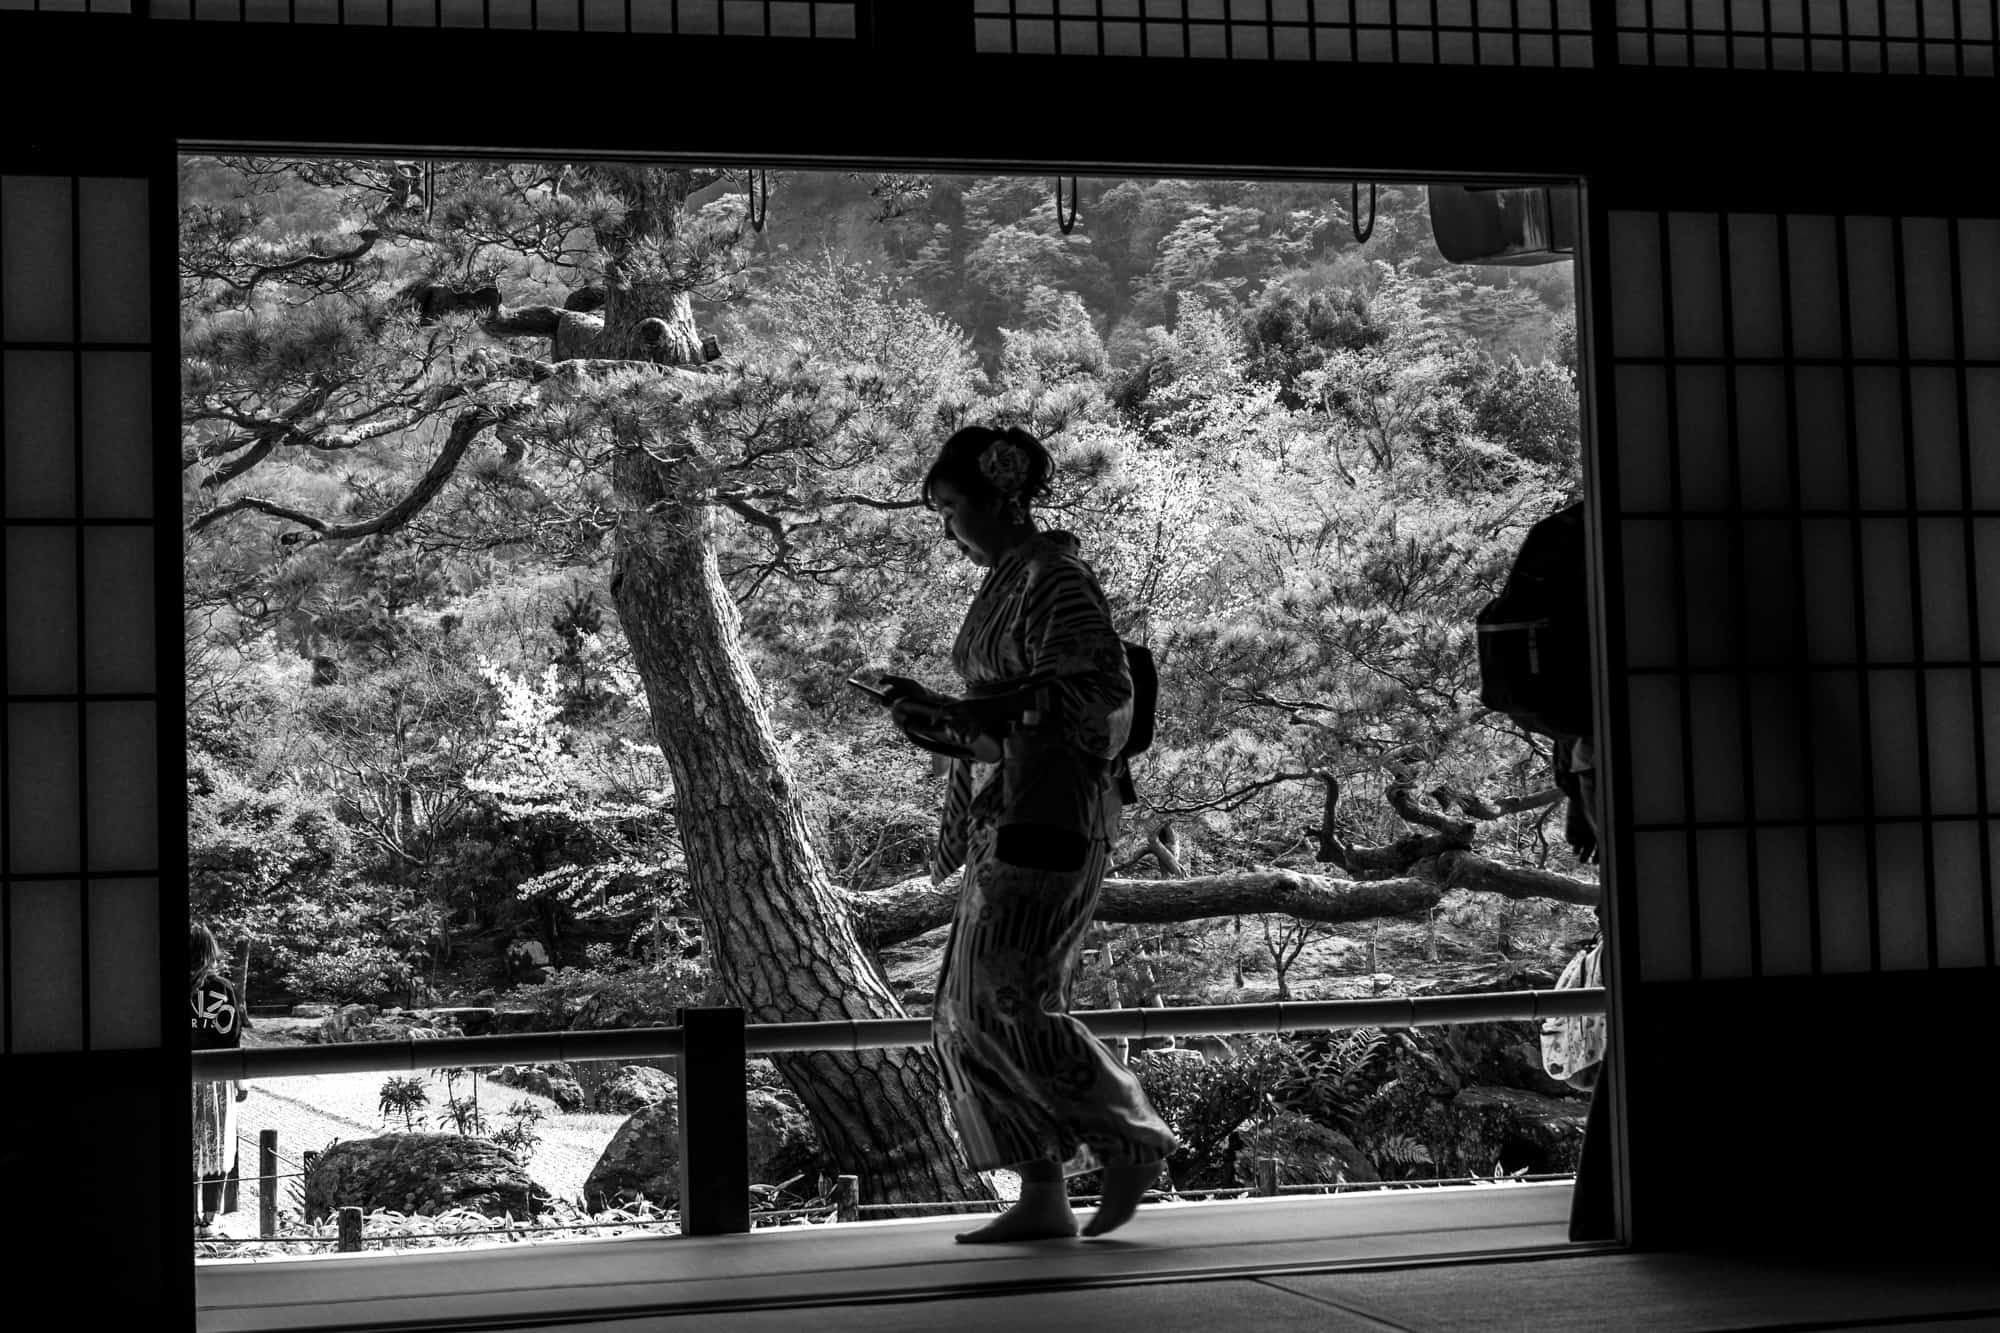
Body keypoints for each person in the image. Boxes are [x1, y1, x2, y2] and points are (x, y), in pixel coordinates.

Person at [866, 425, 1178, 1244]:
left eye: (952, 506)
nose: (948, 528)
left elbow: (1094, 691)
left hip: (1051, 811)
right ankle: (1041, 1187)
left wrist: (969, 713)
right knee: (964, 1007)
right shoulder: (1014, 578)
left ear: (1000, 497)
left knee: (1008, 993)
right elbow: (999, 714)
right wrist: (934, 713)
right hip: (1002, 811)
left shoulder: (1056, 576)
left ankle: (1127, 1135)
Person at [190, 922, 247, 1236]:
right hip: (217, 1077)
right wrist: (241, 1079)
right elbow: (232, 1038)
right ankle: (209, 1219)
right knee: (217, 1144)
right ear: (210, 952)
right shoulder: (222, 988)